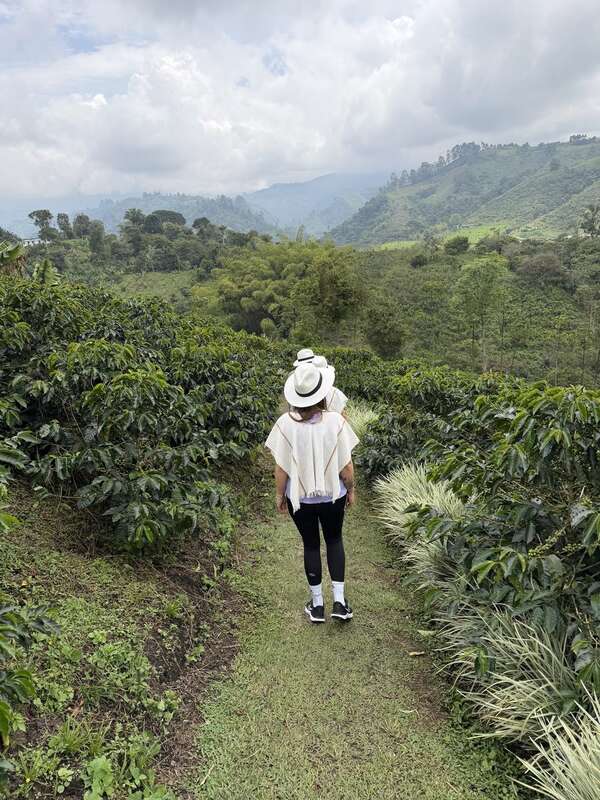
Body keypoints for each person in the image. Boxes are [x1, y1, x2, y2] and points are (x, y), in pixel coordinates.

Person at [265, 362, 359, 623]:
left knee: (310, 545)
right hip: (332, 497)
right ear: (321, 394)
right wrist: (350, 490)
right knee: (334, 541)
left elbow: (281, 468)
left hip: (301, 499)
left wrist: (279, 495)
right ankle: (339, 602)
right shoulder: (336, 422)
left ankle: (317, 606)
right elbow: (346, 466)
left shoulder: (285, 424)